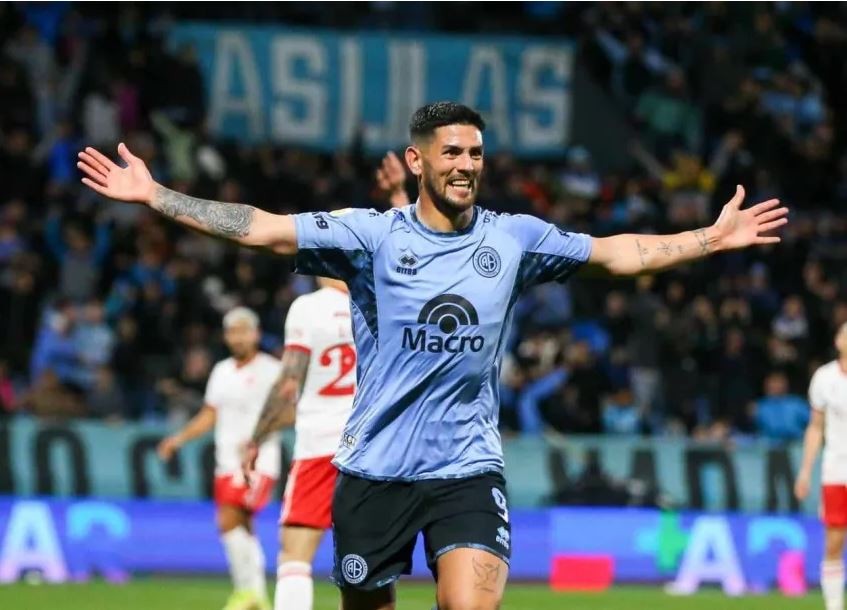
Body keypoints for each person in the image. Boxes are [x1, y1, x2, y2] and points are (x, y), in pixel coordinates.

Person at [79, 101, 788, 610]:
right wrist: (157, 195)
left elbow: (616, 253)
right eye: (452, 153)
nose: (466, 166)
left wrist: (709, 238)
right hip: (373, 471)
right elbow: (261, 229)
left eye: (475, 154)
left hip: (466, 470)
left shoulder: (513, 238)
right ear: (417, 160)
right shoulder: (370, 237)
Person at [243, 277, 357, 610]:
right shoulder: (379, 301)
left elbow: (289, 382)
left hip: (320, 445)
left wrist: (256, 438)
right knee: (365, 562)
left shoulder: (309, 307)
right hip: (370, 448)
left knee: (295, 554)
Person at [157, 307, 281, 610]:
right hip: (226, 461)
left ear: (256, 334)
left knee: (229, 518)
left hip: (258, 461)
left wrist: (257, 438)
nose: (237, 338)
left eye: (243, 331)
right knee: (241, 525)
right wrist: (178, 439)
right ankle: (256, 596)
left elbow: (288, 411)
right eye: (232, 332)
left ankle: (245, 592)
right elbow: (209, 414)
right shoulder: (221, 371)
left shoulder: (271, 370)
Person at [795, 322, 847, 610]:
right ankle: (834, 605)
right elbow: (816, 427)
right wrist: (805, 471)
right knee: (834, 542)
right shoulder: (824, 378)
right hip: (836, 470)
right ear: (838, 341)